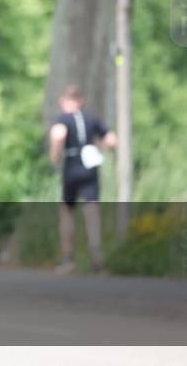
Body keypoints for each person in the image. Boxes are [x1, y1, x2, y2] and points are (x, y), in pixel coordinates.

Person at [48, 85, 117, 274]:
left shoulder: (63, 119)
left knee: (67, 211)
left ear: (66, 101)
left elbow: (58, 134)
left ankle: (68, 258)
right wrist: (100, 146)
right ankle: (96, 253)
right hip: (90, 168)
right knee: (92, 209)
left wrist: (55, 157)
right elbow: (111, 140)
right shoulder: (91, 119)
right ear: (80, 101)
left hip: (71, 166)